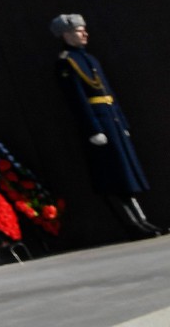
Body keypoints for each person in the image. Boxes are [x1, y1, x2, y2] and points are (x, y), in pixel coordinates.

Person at [52, 14, 158, 237]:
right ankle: (132, 224)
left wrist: (122, 122)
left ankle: (143, 220)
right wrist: (94, 129)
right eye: (80, 31)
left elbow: (109, 93)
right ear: (66, 34)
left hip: (112, 121)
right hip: (100, 125)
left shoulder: (91, 59)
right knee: (114, 178)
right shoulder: (66, 61)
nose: (85, 34)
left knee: (127, 175)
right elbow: (78, 100)